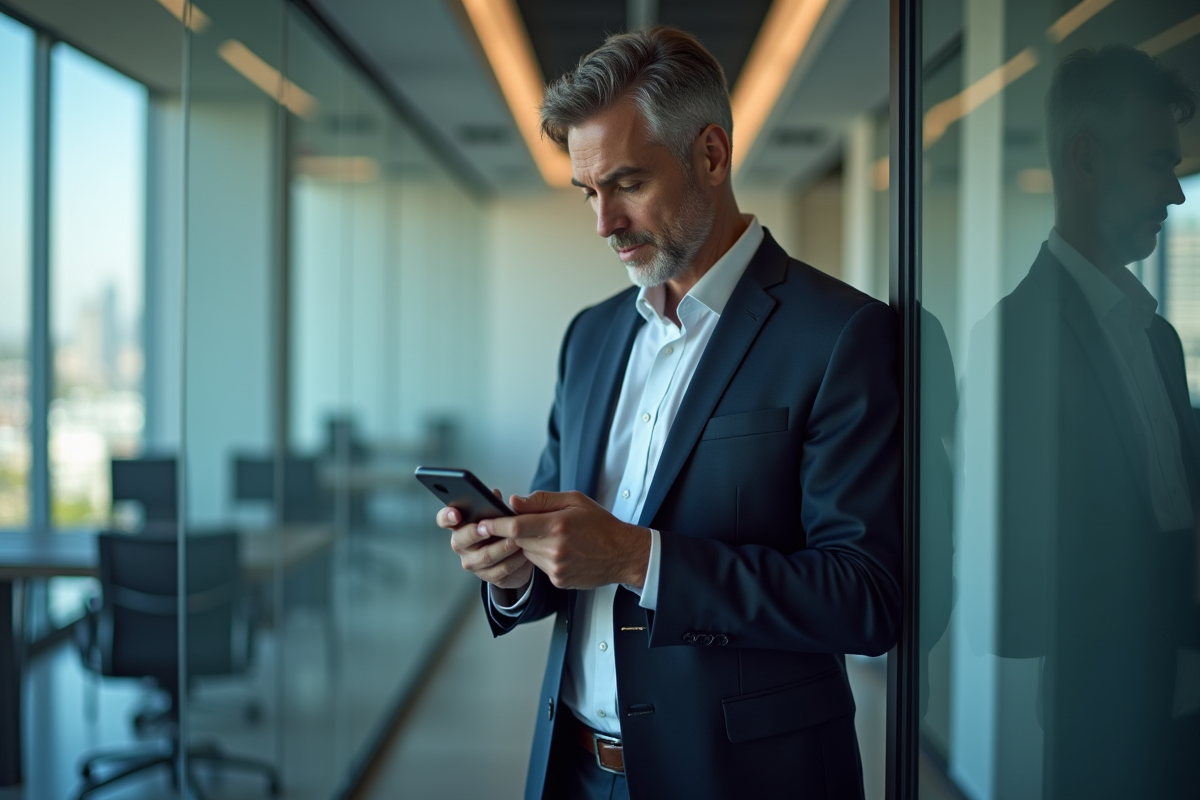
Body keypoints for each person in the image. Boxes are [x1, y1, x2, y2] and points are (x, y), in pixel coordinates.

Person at [437, 27, 901, 799]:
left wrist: (636, 557)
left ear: (711, 156)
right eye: (590, 192)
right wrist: (515, 569)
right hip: (574, 770)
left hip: (743, 779)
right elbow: (568, 551)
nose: (603, 223)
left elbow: (863, 599)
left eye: (626, 183)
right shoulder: (589, 338)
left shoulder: (840, 334)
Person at [962, 45, 1200, 797]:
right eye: (1159, 163)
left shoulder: (1157, 336)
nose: (1177, 192)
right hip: (1105, 709)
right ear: (1086, 159)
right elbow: (1010, 594)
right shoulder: (1015, 335)